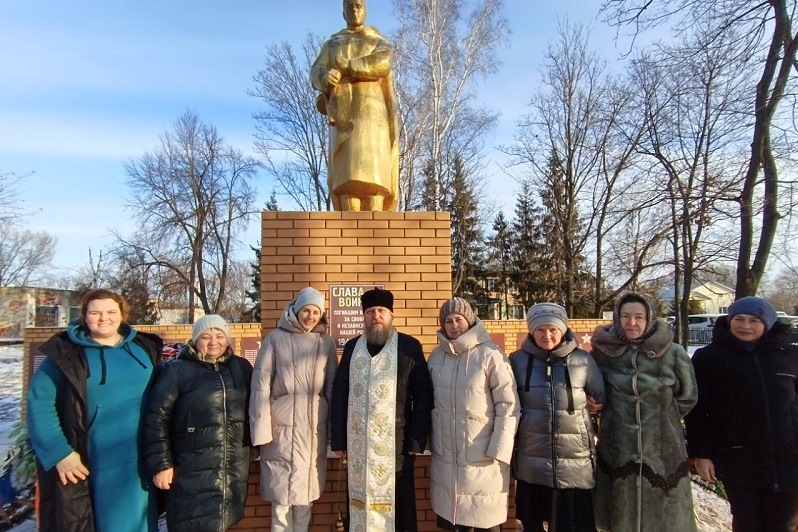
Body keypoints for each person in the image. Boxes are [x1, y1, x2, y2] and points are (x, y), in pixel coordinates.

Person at [27, 289, 162, 532]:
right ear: (85, 316)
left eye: (111, 311)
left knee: (143, 522)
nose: (104, 318)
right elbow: (39, 403)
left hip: (141, 456)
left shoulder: (144, 347)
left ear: (122, 314)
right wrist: (59, 453)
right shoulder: (66, 354)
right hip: (95, 458)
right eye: (95, 312)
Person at [685, 296, 798, 531]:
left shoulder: (789, 357)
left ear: (767, 323)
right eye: (739, 319)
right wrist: (701, 454)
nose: (745, 326)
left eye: (754, 320)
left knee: (784, 523)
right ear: (729, 320)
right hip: (738, 459)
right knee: (747, 523)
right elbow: (697, 411)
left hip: (787, 459)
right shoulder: (709, 359)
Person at [590, 292, 698, 532]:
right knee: (619, 515)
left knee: (664, 516)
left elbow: (688, 396)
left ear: (649, 319)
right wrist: (597, 406)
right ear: (617, 319)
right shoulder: (601, 353)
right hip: (617, 445)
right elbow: (593, 391)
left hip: (663, 447)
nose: (632, 323)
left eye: (638, 317)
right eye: (626, 316)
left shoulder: (673, 352)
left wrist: (663, 418)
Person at [330, 288, 433, 531]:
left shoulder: (409, 347)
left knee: (399, 508)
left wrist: (416, 441)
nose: (376, 316)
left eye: (381, 311)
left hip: (397, 446)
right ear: (364, 316)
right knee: (360, 504)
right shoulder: (353, 347)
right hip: (359, 447)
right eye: (370, 311)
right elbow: (340, 393)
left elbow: (423, 397)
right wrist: (339, 441)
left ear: (391, 315)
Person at [144, 315, 253, 532]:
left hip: (232, 463)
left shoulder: (240, 367)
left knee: (223, 520)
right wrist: (161, 464)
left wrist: (254, 442)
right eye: (206, 336)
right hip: (191, 466)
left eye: (220, 335)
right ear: (195, 340)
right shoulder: (177, 370)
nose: (214, 341)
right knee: (193, 521)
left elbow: (253, 408)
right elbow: (156, 418)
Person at [510, 303, 605, 532]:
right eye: (540, 330)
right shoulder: (517, 360)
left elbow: (600, 396)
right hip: (532, 458)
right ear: (531, 331)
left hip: (574, 459)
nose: (547, 336)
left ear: (563, 330)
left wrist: (598, 405)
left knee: (573, 524)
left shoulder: (583, 360)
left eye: (553, 329)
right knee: (532, 522)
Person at [250, 287, 338, 531]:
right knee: (281, 502)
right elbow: (260, 387)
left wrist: (332, 431)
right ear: (296, 310)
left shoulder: (326, 343)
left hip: (313, 431)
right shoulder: (275, 339)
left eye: (316, 312)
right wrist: (261, 434)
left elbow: (331, 386)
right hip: (281, 431)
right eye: (306, 310)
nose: (310, 316)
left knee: (305, 499)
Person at [427, 297, 519, 532]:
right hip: (446, 458)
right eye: (448, 320)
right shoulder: (436, 357)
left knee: (483, 523)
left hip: (483, 457)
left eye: (459, 319)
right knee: (454, 522)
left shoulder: (491, 355)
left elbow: (508, 406)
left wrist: (500, 449)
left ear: (470, 320)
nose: (454, 325)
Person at [310, 0, 399, 212]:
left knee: (373, 180)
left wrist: (349, 66)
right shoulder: (333, 44)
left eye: (358, 5)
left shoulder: (377, 41)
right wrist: (325, 76)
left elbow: (383, 63)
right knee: (347, 180)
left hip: (372, 113)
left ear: (365, 11)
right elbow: (316, 70)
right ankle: (348, 236)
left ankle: (376, 238)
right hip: (343, 115)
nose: (354, 10)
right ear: (343, 11)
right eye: (349, 6)